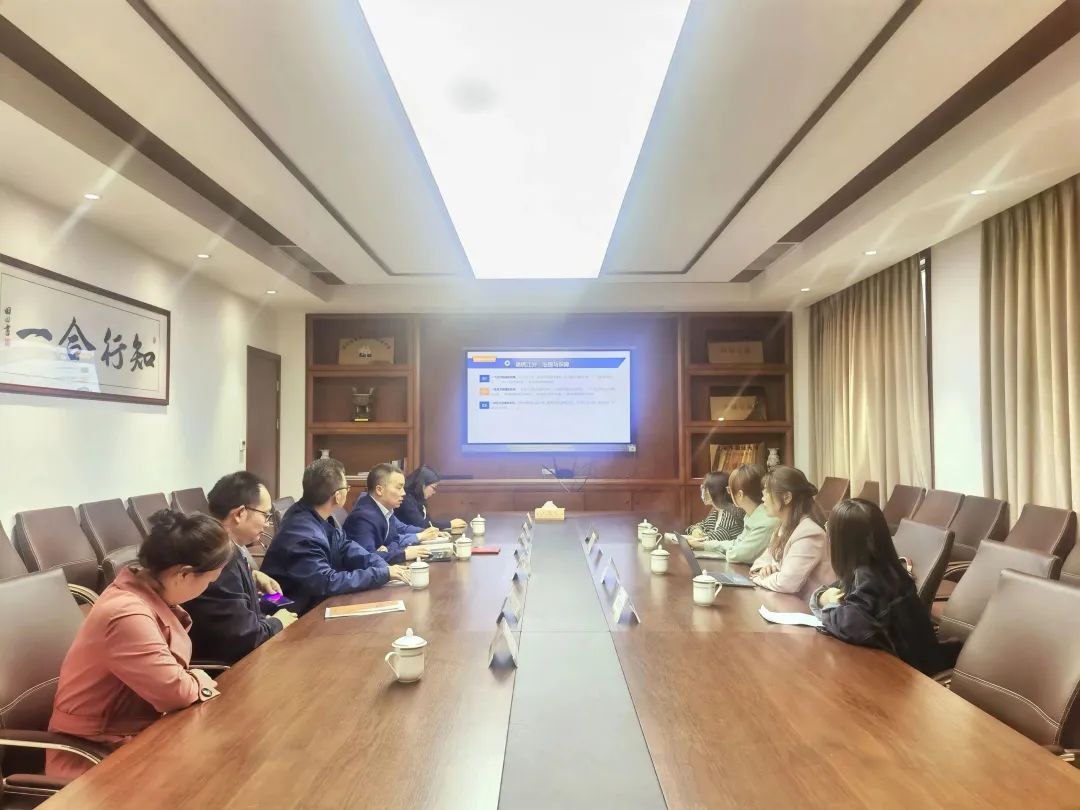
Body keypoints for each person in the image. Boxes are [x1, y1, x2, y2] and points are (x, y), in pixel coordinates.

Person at [46, 510, 233, 779]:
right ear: (183, 574)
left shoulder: (144, 593)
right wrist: (198, 679)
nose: (209, 588)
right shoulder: (126, 614)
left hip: (134, 738)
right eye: (209, 581)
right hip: (92, 756)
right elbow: (175, 692)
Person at [809, 499, 960, 675]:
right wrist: (822, 597)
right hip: (907, 665)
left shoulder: (870, 577)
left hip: (909, 674)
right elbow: (833, 593)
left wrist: (826, 603)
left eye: (829, 528)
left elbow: (852, 624)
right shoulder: (881, 567)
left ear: (843, 541)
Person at [261, 458, 409, 614]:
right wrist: (380, 574)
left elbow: (346, 546)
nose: (348, 490)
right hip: (286, 608)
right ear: (337, 496)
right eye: (347, 487)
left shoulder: (314, 514)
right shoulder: (303, 532)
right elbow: (327, 582)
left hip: (310, 597)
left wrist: (382, 567)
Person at [182, 472, 297, 664]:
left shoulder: (226, 546)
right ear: (240, 513)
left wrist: (253, 576)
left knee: (285, 604)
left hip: (249, 632)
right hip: (231, 667)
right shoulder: (218, 559)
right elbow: (246, 637)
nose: (268, 523)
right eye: (265, 514)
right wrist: (278, 622)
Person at [749, 466, 835, 599]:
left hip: (807, 607)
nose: (763, 498)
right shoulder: (783, 526)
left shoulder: (809, 533)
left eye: (767, 492)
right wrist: (764, 569)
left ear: (787, 497)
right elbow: (761, 561)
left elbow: (786, 583)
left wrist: (759, 578)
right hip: (786, 601)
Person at [343, 463, 439, 564]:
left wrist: (388, 549)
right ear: (379, 490)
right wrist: (404, 554)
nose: (404, 493)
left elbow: (395, 539)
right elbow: (365, 559)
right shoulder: (363, 517)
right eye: (399, 488)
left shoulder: (385, 509)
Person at [689, 463, 778, 564]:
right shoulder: (750, 515)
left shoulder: (765, 522)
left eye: (729, 490)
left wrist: (708, 545)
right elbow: (737, 543)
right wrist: (704, 545)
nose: (729, 494)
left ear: (740, 494)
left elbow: (737, 555)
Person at [396, 465, 466, 533]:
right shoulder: (406, 499)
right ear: (422, 485)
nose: (434, 492)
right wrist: (449, 524)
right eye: (433, 488)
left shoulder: (418, 499)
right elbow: (421, 524)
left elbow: (428, 522)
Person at [684, 471, 744, 550]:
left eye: (706, 489)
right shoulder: (716, 512)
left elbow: (720, 536)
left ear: (716, 491)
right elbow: (695, 527)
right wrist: (695, 530)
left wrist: (697, 539)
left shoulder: (732, 511)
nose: (703, 492)